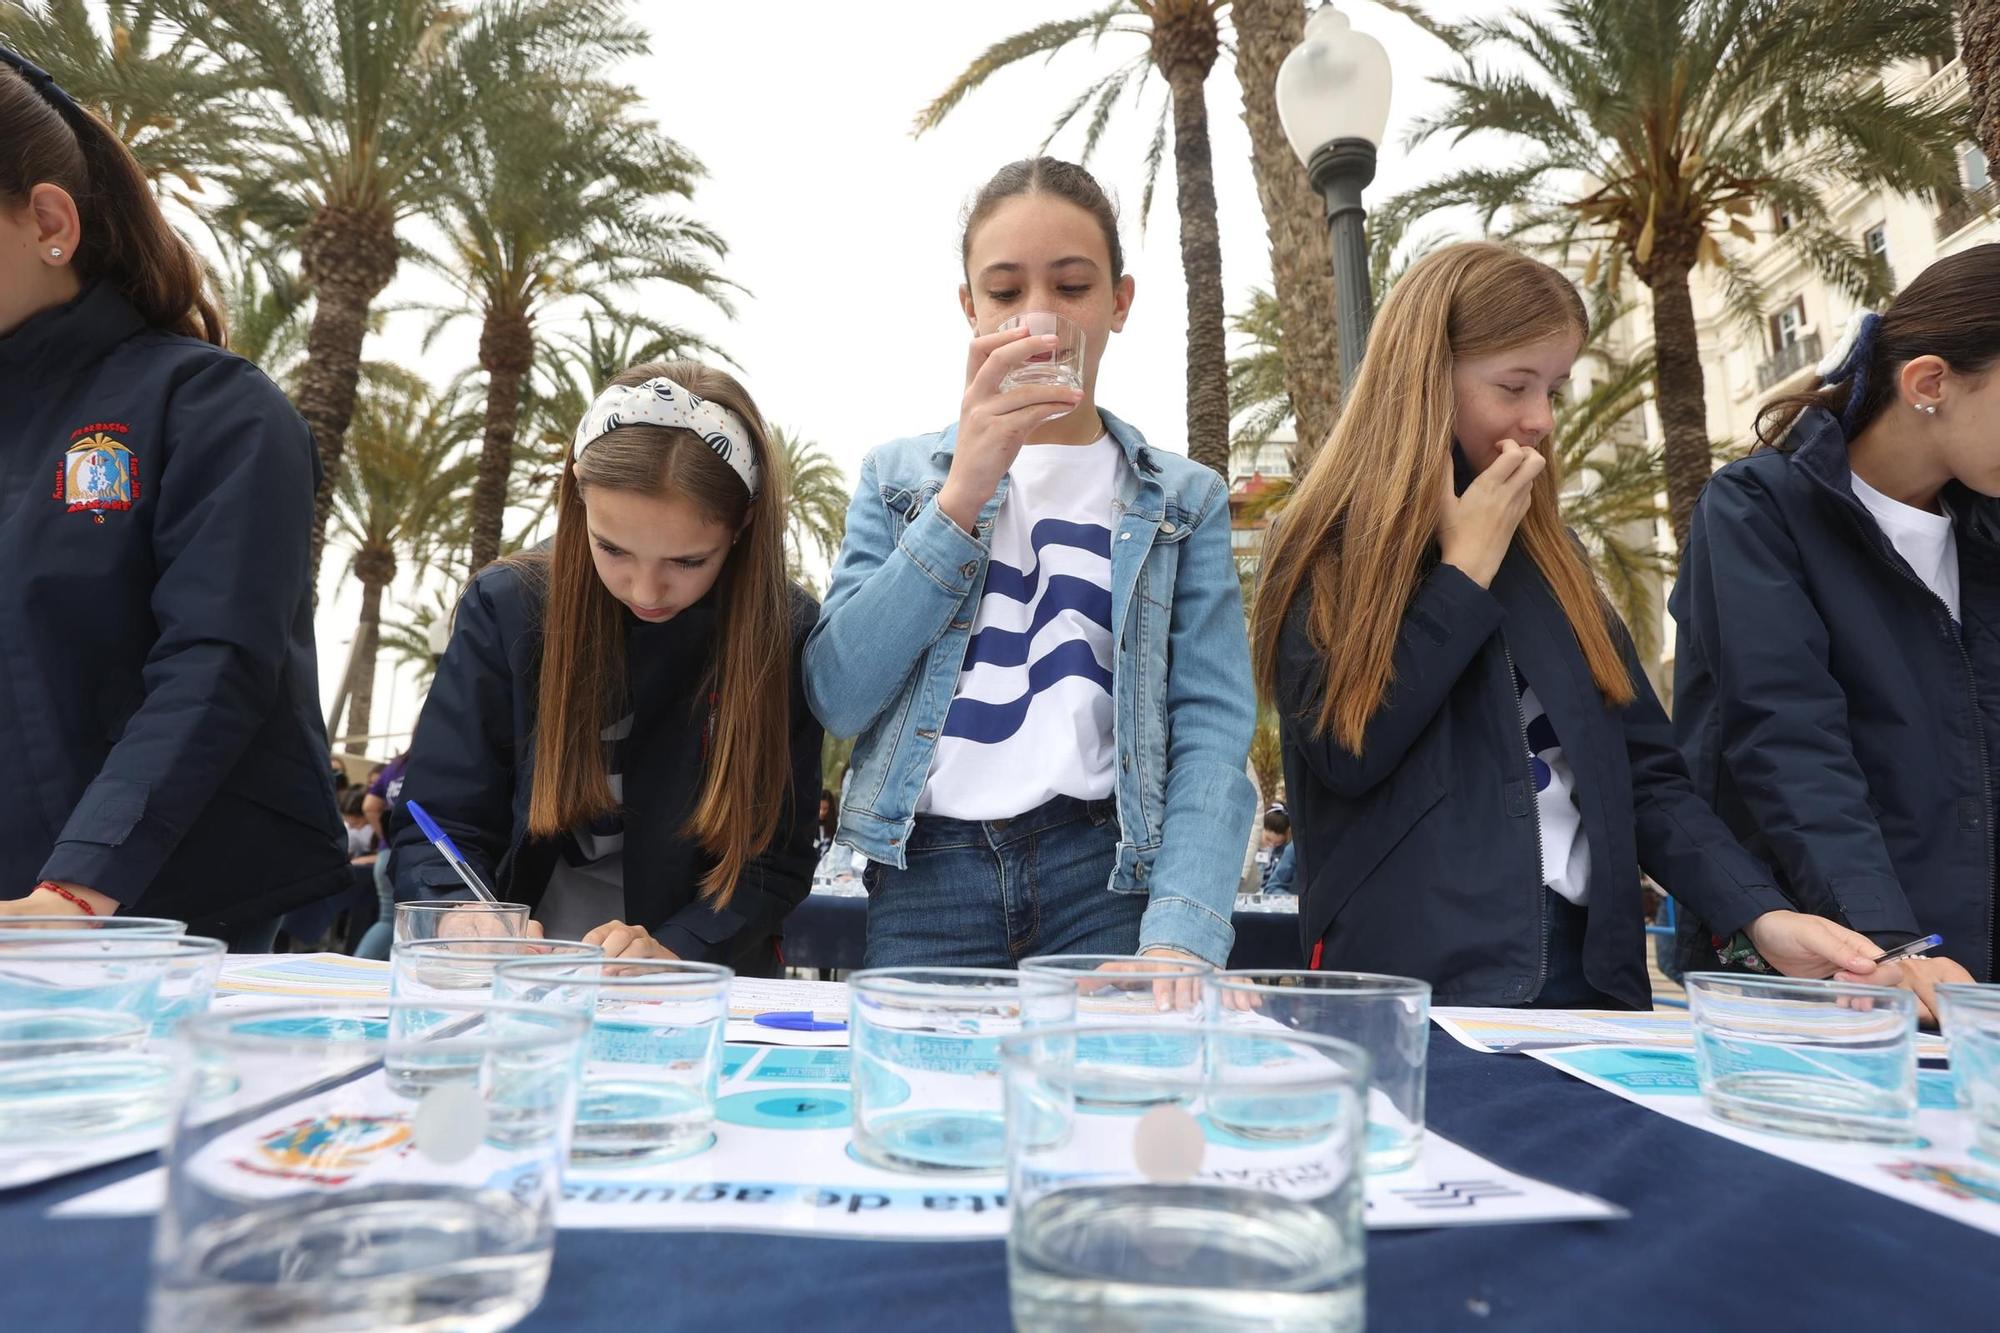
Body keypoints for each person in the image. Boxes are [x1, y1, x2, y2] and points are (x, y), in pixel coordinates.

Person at [1249, 241, 1893, 1008]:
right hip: (1416, 986)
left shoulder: (1555, 552)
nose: (1541, 420)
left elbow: (1646, 775)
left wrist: (1761, 910)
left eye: (1554, 387)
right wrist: (1463, 572)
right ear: (1423, 379)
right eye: (1514, 385)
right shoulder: (1321, 542)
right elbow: (1344, 752)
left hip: (1593, 976)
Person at [807, 157, 1254, 969]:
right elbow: (838, 692)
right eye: (1007, 292)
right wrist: (963, 494)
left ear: (1119, 302)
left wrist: (1182, 933)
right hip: (925, 875)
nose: (1041, 317)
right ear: (970, 307)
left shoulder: (1186, 499)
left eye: (1073, 286)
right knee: (926, 1098)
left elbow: (1213, 727)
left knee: (1111, 1096)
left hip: (1108, 873)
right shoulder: (899, 477)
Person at [0, 49, 346, 943]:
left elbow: (216, 659)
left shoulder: (213, 411)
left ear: (48, 220)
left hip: (191, 936)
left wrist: (77, 889)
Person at [387, 360, 821, 976]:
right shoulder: (509, 606)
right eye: (612, 548)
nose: (646, 589)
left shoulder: (783, 631)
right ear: (575, 492)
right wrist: (458, 911)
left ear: (744, 523)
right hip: (513, 974)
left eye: (689, 560)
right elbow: (440, 817)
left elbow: (773, 858)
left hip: (695, 983)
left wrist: (680, 949)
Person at [1672, 244, 2000, 1018]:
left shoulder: (1985, 537)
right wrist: (1891, 947)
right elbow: (1789, 744)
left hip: (1973, 993)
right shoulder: (1757, 511)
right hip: (1830, 981)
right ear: (1929, 383)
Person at [1257, 807, 1292, 889]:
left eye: (1278, 843)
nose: (1272, 845)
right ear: (1262, 827)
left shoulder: (1286, 852)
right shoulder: (1250, 848)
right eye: (1268, 839)